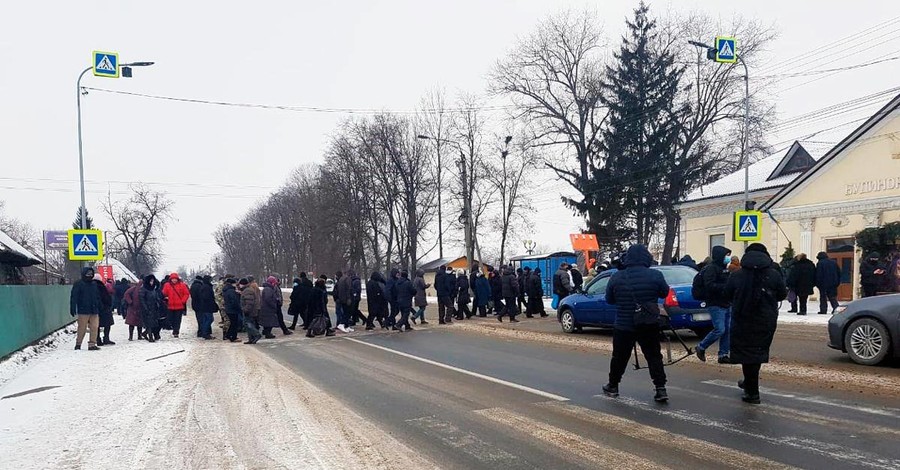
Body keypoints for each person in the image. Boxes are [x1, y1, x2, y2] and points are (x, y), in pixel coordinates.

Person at [602, 244, 670, 402]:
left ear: (628, 258)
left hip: (624, 324)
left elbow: (609, 300)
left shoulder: (617, 276)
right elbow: (664, 292)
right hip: (648, 323)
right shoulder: (656, 275)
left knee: (619, 357)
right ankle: (660, 388)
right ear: (646, 257)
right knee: (654, 356)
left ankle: (613, 386)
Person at [724, 243, 787, 404]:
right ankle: (749, 385)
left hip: (742, 318)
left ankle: (752, 391)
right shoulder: (773, 274)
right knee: (757, 353)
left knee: (747, 354)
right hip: (765, 320)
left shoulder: (737, 275)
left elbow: (727, 294)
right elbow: (782, 294)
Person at [695, 246, 732, 364]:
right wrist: (725, 287)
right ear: (720, 256)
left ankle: (723, 354)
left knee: (727, 330)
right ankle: (701, 347)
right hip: (715, 303)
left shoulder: (724, 269)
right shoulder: (711, 269)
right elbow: (709, 286)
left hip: (726, 302)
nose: (728, 258)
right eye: (726, 255)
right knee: (720, 329)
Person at [70, 267, 102, 351]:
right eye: (88, 274)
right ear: (84, 274)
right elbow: (74, 296)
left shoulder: (94, 284)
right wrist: (73, 307)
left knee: (95, 327)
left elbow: (97, 296)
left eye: (91, 274)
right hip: (83, 309)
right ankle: (78, 344)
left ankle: (92, 344)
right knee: (82, 328)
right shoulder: (79, 284)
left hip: (94, 309)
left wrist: (100, 305)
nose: (90, 275)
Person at [161, 273, 191, 338]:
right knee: (170, 319)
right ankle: (173, 328)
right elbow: (164, 293)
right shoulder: (167, 285)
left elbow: (186, 294)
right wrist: (165, 298)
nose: (174, 280)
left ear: (177, 279)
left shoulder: (182, 285)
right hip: (170, 306)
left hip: (179, 306)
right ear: (170, 279)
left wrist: (182, 301)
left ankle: (176, 331)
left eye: (175, 279)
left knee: (177, 320)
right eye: (173, 279)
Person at [190, 275, 219, 340]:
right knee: (209, 319)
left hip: (203, 306)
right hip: (207, 306)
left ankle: (204, 332)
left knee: (205, 319)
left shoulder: (201, 286)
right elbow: (206, 297)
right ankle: (205, 333)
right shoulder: (206, 287)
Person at [138, 275, 163, 342]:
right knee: (149, 323)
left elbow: (156, 297)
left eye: (153, 281)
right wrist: (145, 308)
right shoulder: (143, 289)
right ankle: (150, 337)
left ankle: (145, 333)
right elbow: (142, 299)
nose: (151, 282)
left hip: (154, 308)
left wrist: (158, 302)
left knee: (154, 323)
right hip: (147, 308)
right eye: (150, 281)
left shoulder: (153, 289)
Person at [239, 278, 262, 344]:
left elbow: (249, 302)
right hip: (250, 310)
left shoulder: (247, 291)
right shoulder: (247, 290)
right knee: (249, 324)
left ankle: (256, 334)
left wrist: (246, 310)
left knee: (248, 324)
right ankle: (251, 339)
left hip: (249, 311)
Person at [95, 273, 115, 346]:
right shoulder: (101, 286)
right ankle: (106, 338)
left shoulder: (91, 286)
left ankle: (98, 339)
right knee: (107, 324)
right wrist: (108, 305)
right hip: (104, 308)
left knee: (97, 325)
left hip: (96, 308)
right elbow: (106, 297)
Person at [222, 278, 242, 342]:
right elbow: (234, 301)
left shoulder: (226, 290)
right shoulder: (231, 291)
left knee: (232, 323)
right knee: (234, 324)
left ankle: (228, 334)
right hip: (233, 310)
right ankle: (233, 337)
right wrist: (239, 308)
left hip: (228, 309)